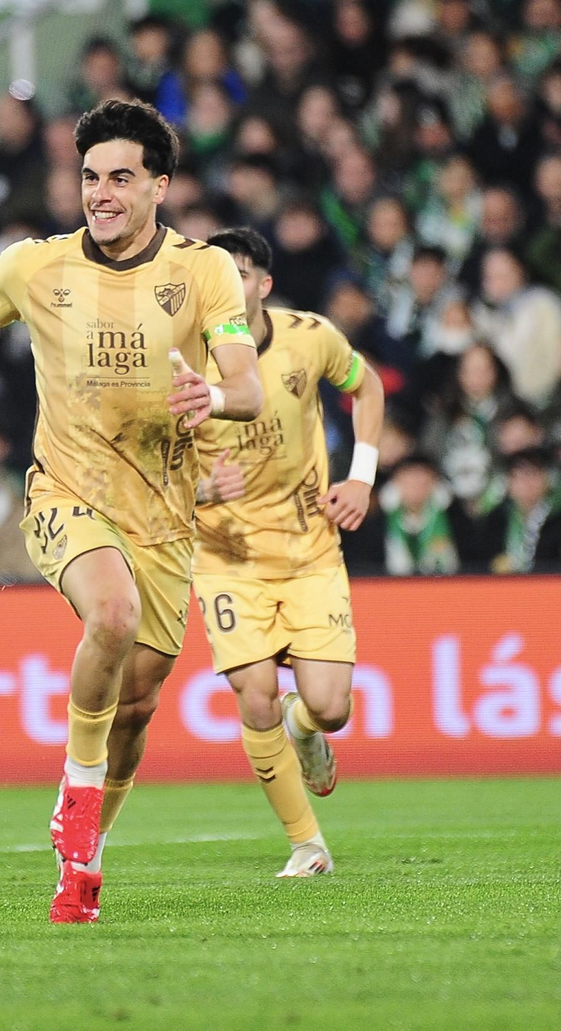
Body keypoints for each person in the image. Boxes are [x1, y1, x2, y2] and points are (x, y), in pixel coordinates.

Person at [0, 98, 263, 924]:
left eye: (120, 177)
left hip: (163, 513)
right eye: (89, 176)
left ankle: (86, 857)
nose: (100, 192)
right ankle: (75, 795)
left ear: (160, 186)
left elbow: (248, 389)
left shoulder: (204, 272)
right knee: (108, 615)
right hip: (66, 493)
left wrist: (210, 394)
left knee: (139, 701)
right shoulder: (34, 265)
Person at [190, 227, 385, 878]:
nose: (229, 286)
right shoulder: (179, 359)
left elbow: (369, 387)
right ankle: (307, 843)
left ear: (263, 285)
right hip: (225, 553)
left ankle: (306, 733)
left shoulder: (309, 335)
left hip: (308, 547)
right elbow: (142, 469)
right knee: (255, 697)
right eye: (217, 275)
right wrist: (201, 487)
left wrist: (361, 475)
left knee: (329, 706)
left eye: (240, 274)